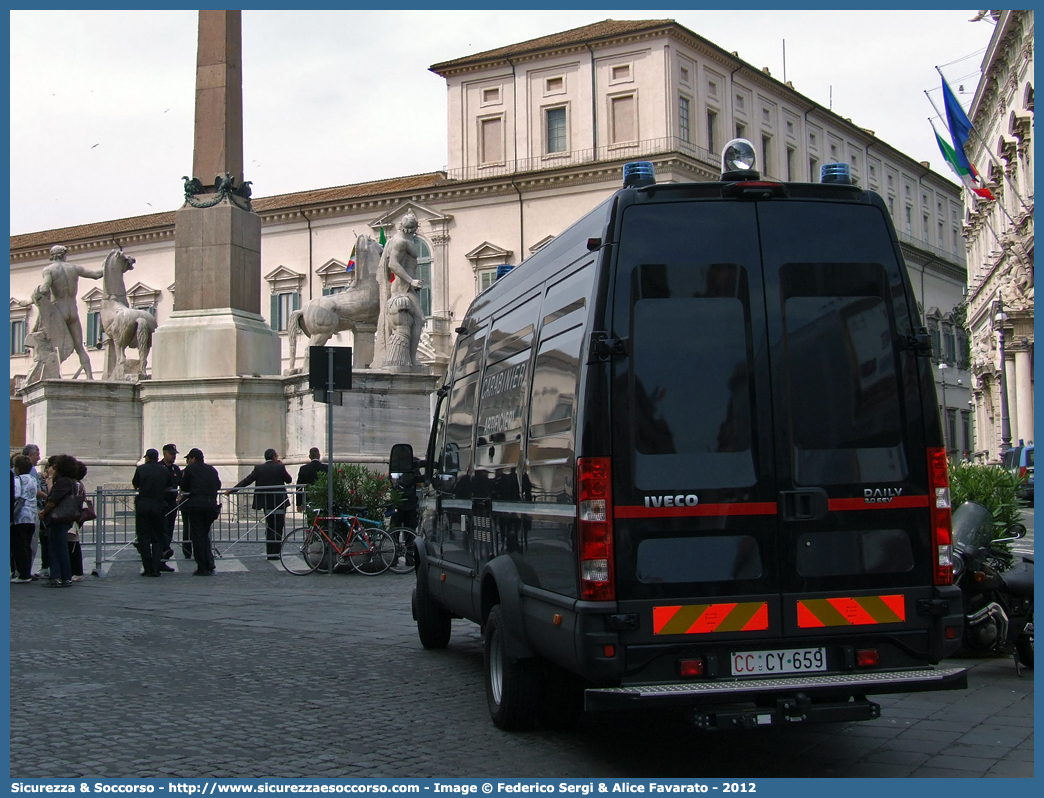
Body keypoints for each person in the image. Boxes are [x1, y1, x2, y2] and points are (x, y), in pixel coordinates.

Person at [32, 244, 104, 379]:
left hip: (59, 311)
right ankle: (89, 377)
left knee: (52, 348)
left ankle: (52, 375)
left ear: (52, 256)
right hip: (73, 312)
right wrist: (110, 266)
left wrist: (34, 295)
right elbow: (96, 274)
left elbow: (45, 288)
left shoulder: (49, 270)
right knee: (80, 348)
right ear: (64, 255)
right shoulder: (74, 269)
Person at [378, 212, 425, 367]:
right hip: (403, 287)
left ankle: (411, 358)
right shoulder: (400, 242)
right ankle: (412, 359)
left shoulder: (400, 240)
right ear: (412, 228)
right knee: (419, 320)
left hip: (405, 286)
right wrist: (411, 281)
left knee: (415, 321)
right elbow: (393, 264)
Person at [231, 448, 292, 559]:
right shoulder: (280, 467)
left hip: (266, 502)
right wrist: (282, 466)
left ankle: (269, 552)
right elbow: (289, 480)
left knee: (269, 526)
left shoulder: (259, 468)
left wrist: (232, 490)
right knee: (278, 527)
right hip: (279, 502)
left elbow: (247, 480)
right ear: (274, 457)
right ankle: (275, 553)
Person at [38, 454, 82, 587]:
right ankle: (64, 576)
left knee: (56, 547)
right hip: (65, 517)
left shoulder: (63, 482)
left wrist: (44, 512)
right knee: (60, 546)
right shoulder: (71, 482)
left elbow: (52, 500)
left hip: (58, 518)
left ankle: (58, 576)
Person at [132, 449, 175, 577]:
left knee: (143, 537)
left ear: (147, 458)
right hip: (158, 504)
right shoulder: (163, 469)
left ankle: (147, 568)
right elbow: (169, 486)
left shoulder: (141, 469)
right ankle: (156, 568)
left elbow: (135, 484)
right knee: (157, 537)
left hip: (143, 504)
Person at [179, 448, 221, 576]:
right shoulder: (212, 469)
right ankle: (210, 562)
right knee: (205, 534)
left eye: (189, 459)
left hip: (196, 504)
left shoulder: (190, 469)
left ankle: (202, 566)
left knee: (197, 536)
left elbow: (184, 486)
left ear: (193, 459)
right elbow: (218, 485)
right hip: (211, 505)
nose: (188, 461)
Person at [10, 455, 38, 583]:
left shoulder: (17, 480)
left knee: (19, 546)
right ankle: (27, 570)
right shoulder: (32, 479)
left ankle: (23, 573)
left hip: (20, 516)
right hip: (32, 515)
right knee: (27, 545)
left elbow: (15, 495)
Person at [160, 443, 185, 560]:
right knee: (162, 528)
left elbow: (182, 483)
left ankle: (166, 549)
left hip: (172, 504)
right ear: (164, 453)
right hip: (160, 502)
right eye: (171, 454)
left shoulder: (176, 469)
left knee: (169, 528)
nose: (173, 456)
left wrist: (181, 494)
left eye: (174, 454)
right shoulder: (159, 467)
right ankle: (163, 550)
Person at [68, 460, 90, 581]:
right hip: (76, 515)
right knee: (73, 541)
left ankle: (76, 571)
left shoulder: (75, 485)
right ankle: (76, 570)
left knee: (73, 543)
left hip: (73, 515)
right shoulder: (79, 484)